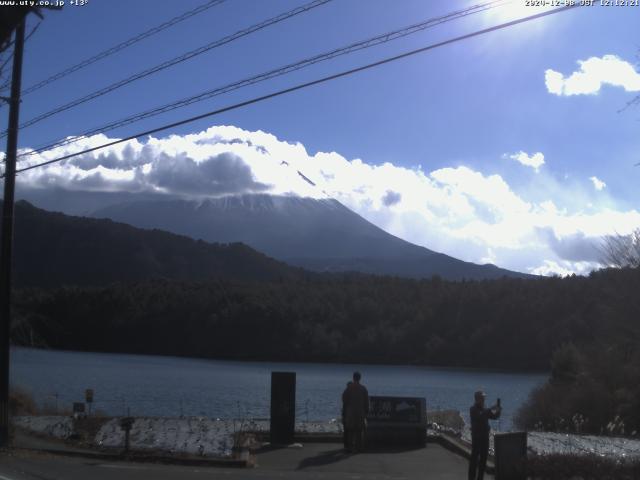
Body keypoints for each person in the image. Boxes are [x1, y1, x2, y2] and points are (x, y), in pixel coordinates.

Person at [468, 390, 501, 480]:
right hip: (477, 437)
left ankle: (480, 478)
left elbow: (494, 417)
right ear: (477, 399)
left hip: (485, 437)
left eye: (484, 398)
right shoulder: (473, 409)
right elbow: (480, 416)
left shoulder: (484, 409)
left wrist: (498, 410)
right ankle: (471, 478)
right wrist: (490, 409)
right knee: (474, 459)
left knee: (483, 460)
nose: (483, 400)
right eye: (482, 398)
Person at [341, 371, 369, 453]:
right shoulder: (363, 388)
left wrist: (347, 407)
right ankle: (359, 447)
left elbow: (344, 398)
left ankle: (350, 447)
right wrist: (366, 411)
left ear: (353, 378)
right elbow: (366, 401)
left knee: (350, 430)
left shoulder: (349, 388)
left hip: (350, 412)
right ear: (360, 378)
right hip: (360, 411)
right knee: (359, 430)